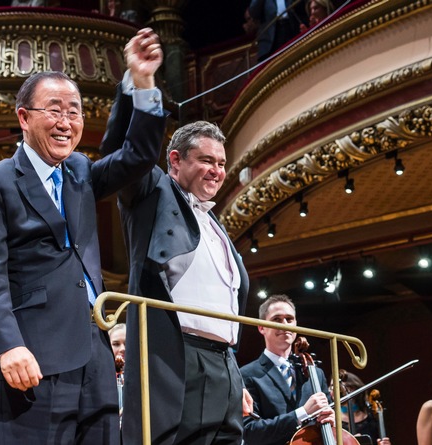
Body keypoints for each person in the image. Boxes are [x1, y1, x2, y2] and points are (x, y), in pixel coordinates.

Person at [0, 27, 166, 445]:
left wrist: (142, 83)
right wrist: (7, 347)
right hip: (32, 358)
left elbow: (139, 156)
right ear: (24, 117)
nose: (66, 122)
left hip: (95, 356)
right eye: (54, 110)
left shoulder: (79, 171)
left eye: (74, 112)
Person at [100, 114, 252, 443]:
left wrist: (233, 378)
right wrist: (139, 89)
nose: (217, 171)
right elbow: (124, 157)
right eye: (206, 160)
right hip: (180, 359)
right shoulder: (152, 197)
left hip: (226, 363)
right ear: (175, 160)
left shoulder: (214, 223)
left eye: (222, 163)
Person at [240, 294, 334, 445]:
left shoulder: (316, 373)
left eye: (289, 319)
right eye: (276, 319)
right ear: (261, 327)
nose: (284, 324)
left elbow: (329, 417)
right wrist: (302, 413)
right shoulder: (246, 375)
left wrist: (331, 419)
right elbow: (250, 431)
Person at [332, 369, 392, 445]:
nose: (332, 391)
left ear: (352, 388)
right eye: (331, 386)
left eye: (335, 386)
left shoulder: (372, 417)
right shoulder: (331, 420)